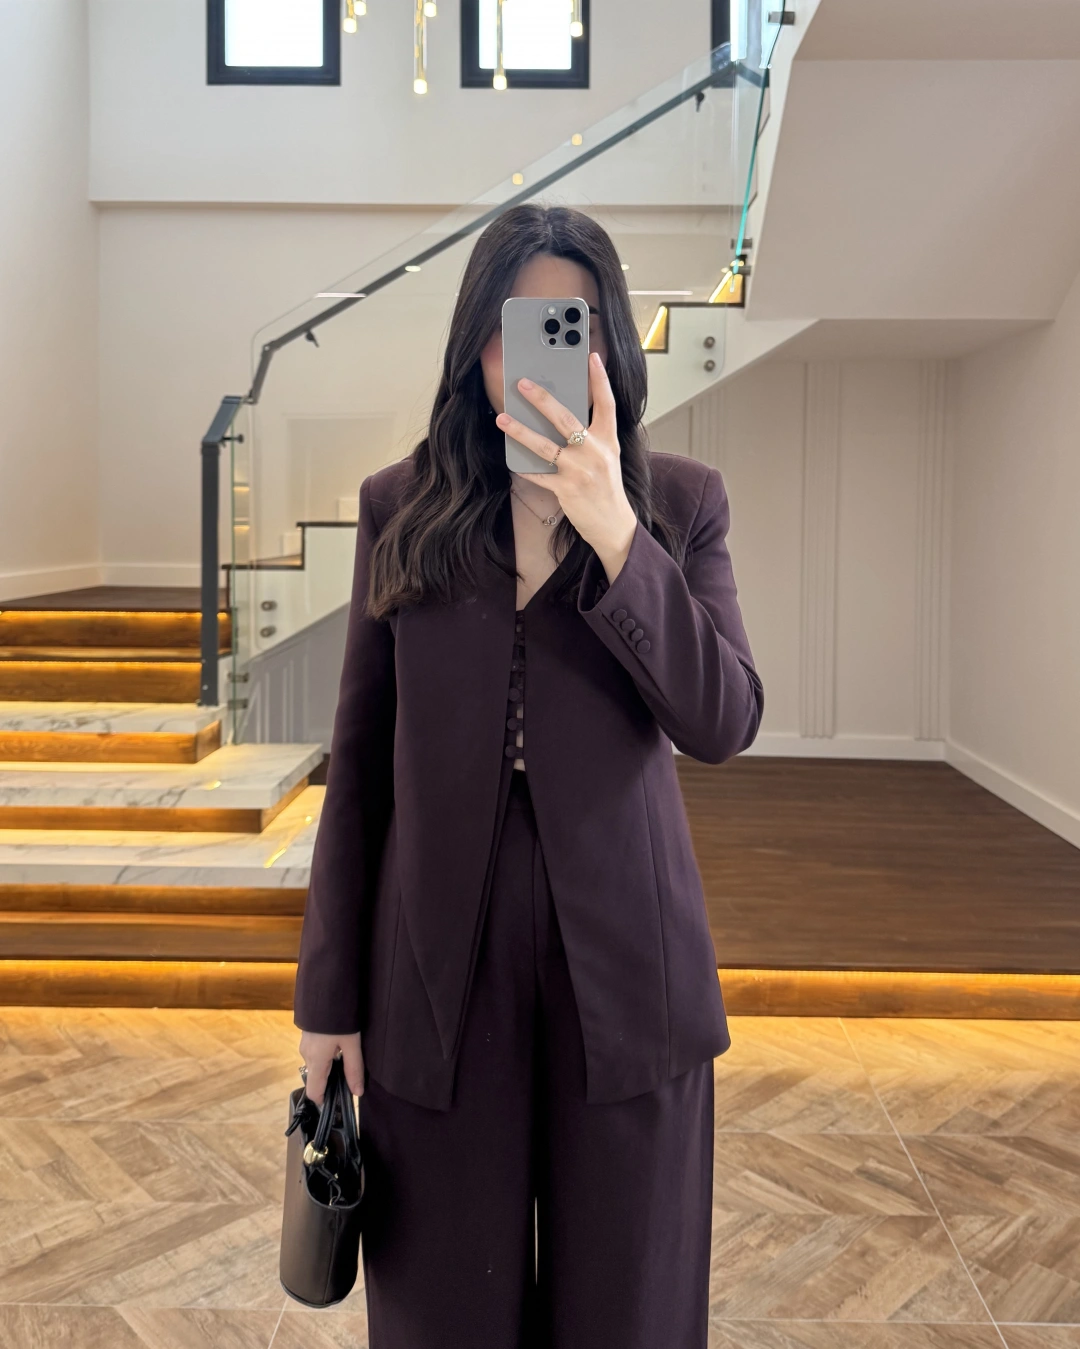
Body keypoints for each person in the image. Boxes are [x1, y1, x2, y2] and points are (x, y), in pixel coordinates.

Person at [292, 203, 764, 1348]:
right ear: (477, 347)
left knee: (630, 1313)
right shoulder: (401, 508)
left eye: (570, 325)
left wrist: (617, 538)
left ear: (606, 345)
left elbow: (724, 717)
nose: (538, 357)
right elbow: (358, 773)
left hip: (631, 972)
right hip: (434, 973)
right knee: (442, 1309)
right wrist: (327, 1004)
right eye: (516, 328)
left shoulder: (679, 505)